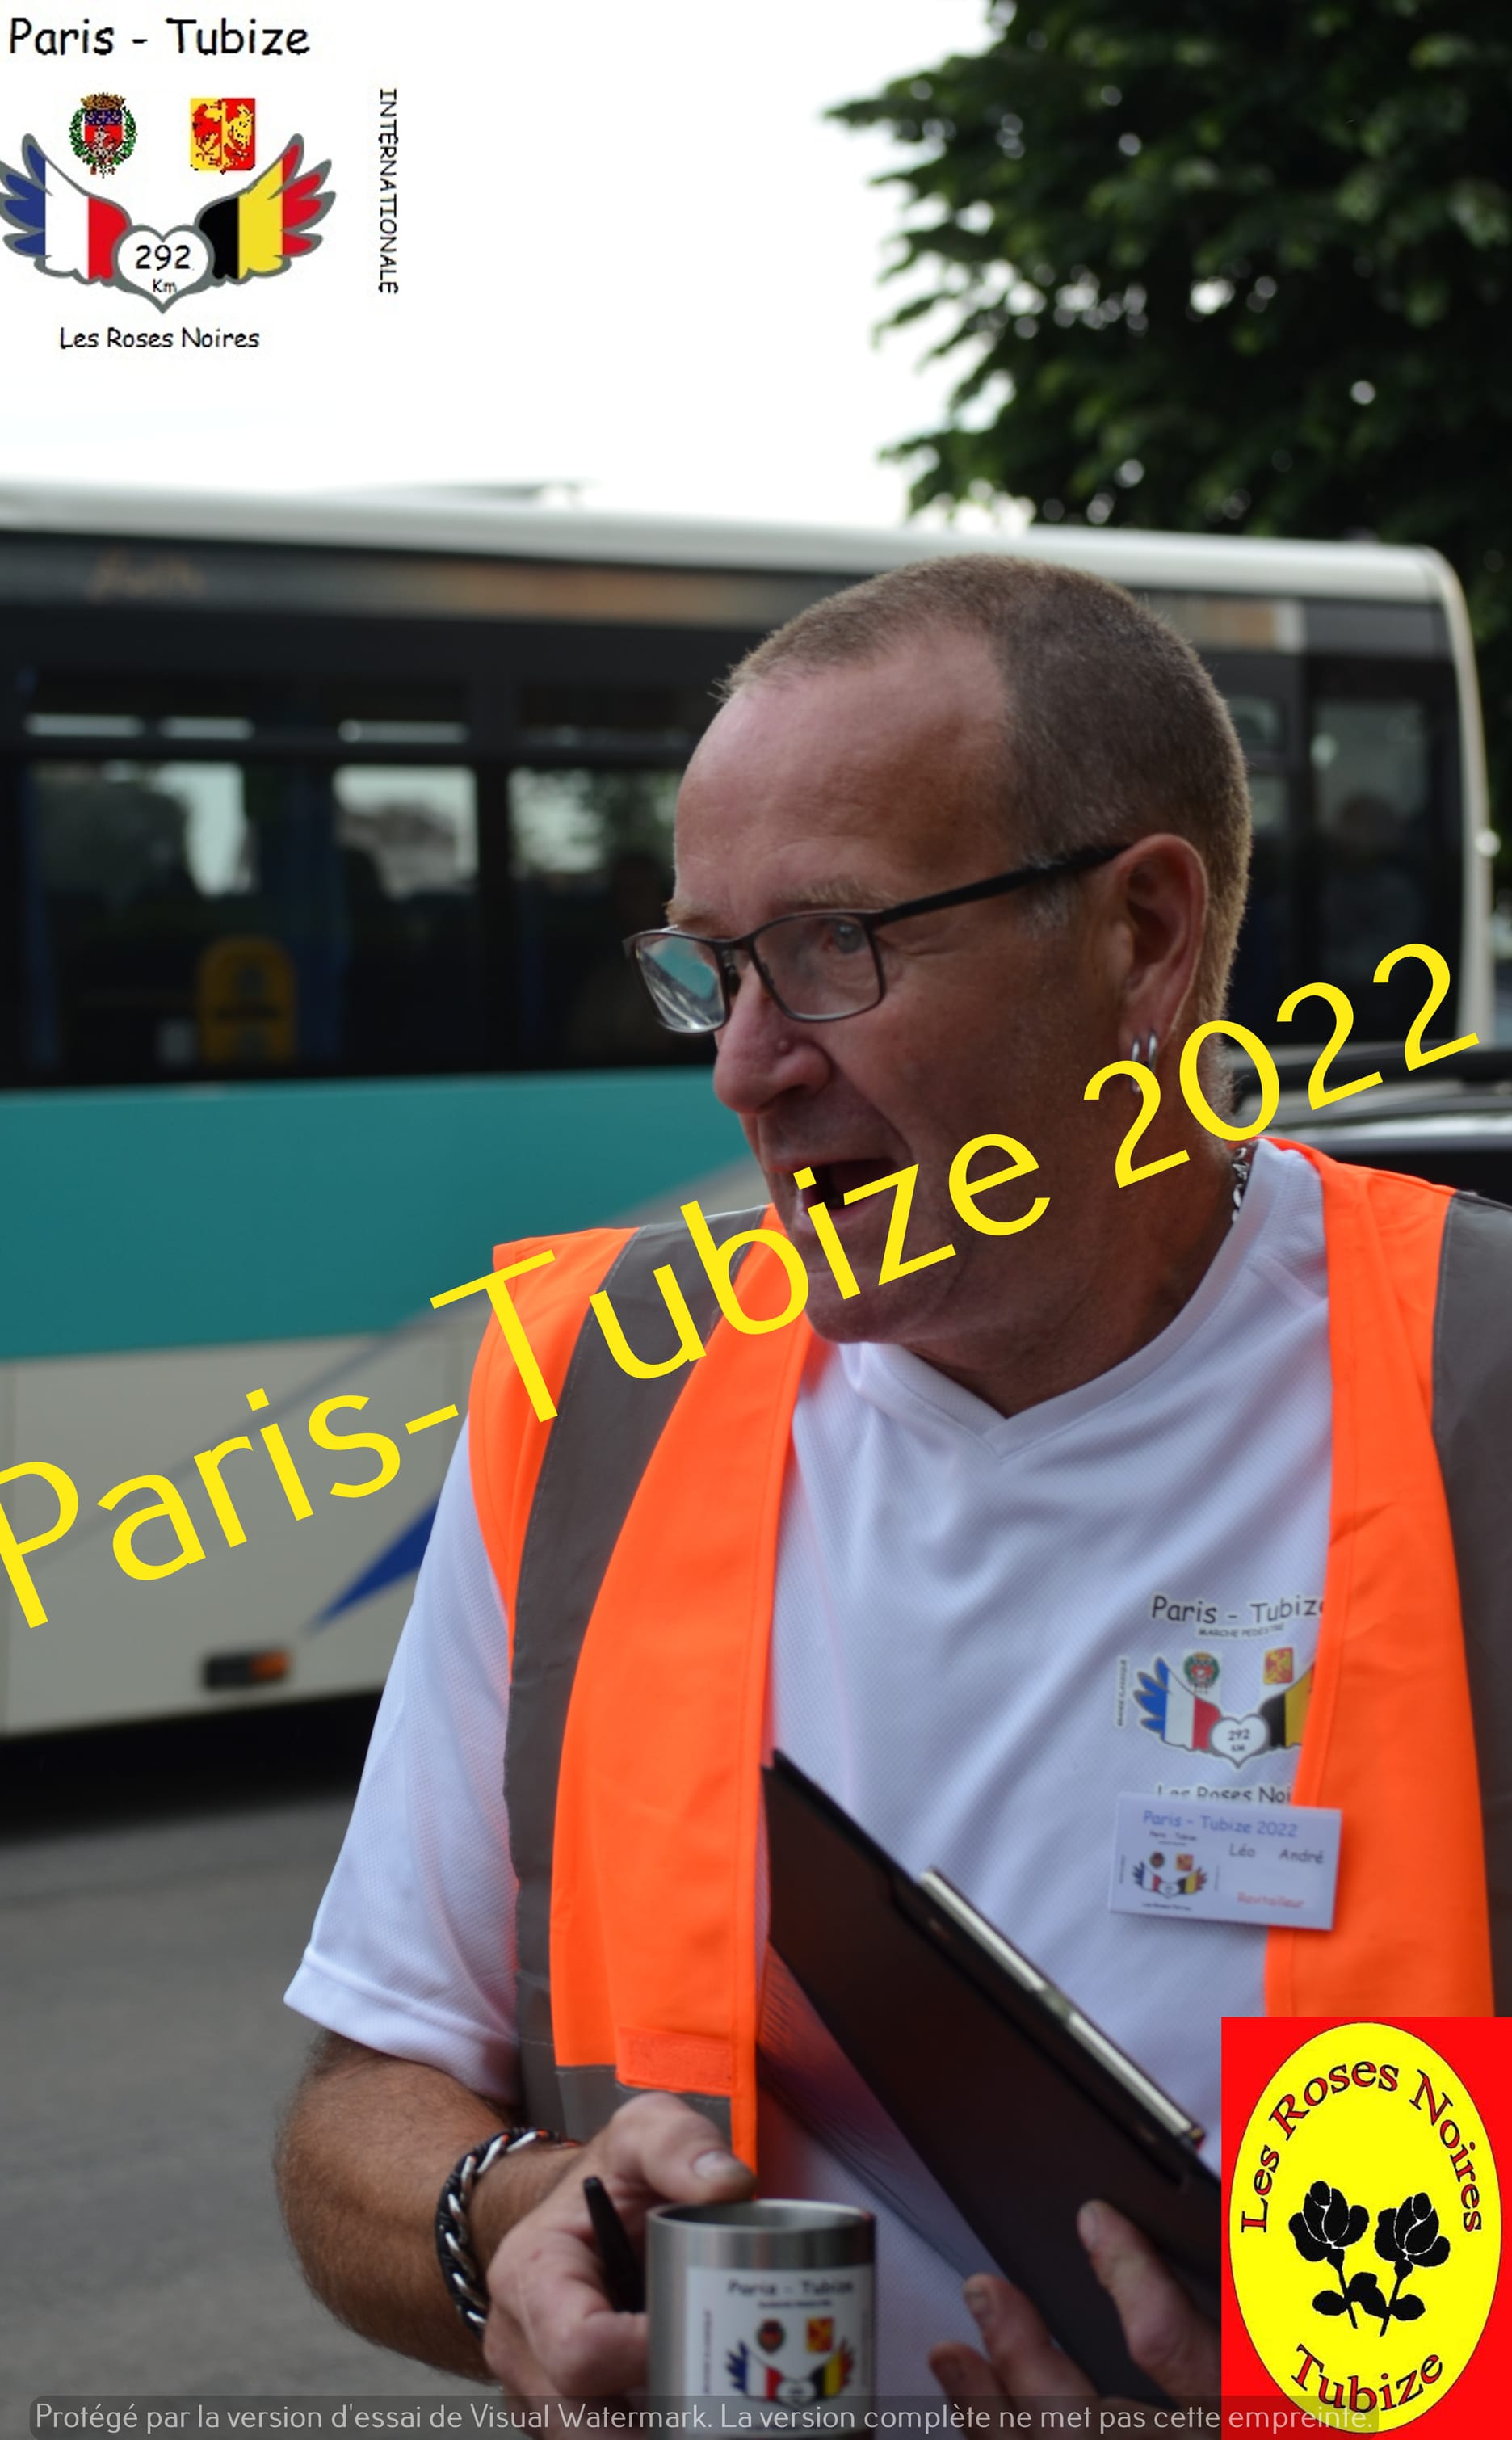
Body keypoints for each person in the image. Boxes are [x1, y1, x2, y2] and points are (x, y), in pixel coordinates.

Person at [275, 555, 1510, 2408]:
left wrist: (1315, 2399)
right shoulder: (602, 1390)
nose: (745, 1068)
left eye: (835, 947)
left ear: (1142, 934)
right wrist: (501, 2219)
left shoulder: (1472, 1387)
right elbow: (363, 2097)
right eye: (711, 970)